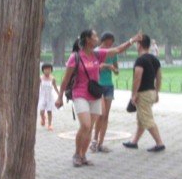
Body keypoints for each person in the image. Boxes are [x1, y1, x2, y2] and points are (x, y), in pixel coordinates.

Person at [56, 29, 141, 167]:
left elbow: (118, 50)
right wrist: (60, 97)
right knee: (85, 125)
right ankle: (76, 154)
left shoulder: (97, 54)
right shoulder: (75, 57)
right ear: (88, 39)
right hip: (80, 94)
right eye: (94, 36)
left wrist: (132, 40)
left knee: (90, 128)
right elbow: (65, 80)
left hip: (95, 95)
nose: (97, 38)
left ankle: (83, 156)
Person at [122, 35, 165, 152]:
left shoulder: (140, 60)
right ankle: (134, 142)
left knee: (147, 119)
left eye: (137, 44)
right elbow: (159, 77)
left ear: (139, 45)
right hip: (151, 92)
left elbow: (137, 78)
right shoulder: (155, 59)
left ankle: (159, 143)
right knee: (141, 118)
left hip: (143, 93)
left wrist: (134, 94)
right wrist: (157, 92)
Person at [91, 32, 119, 153]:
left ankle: (101, 143)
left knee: (106, 115)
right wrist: (106, 66)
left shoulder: (113, 53)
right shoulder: (96, 52)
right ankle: (94, 140)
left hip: (109, 85)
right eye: (109, 42)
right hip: (98, 85)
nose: (110, 45)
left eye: (112, 43)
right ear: (104, 40)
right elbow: (93, 67)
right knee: (101, 114)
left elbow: (117, 70)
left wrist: (114, 69)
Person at [38, 63, 58, 131]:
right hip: (42, 96)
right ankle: (43, 118)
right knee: (41, 110)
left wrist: (59, 94)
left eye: (49, 69)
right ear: (43, 70)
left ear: (51, 70)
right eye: (46, 69)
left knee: (49, 111)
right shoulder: (40, 78)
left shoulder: (52, 79)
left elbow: (55, 87)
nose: (47, 71)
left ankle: (49, 124)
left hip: (49, 97)